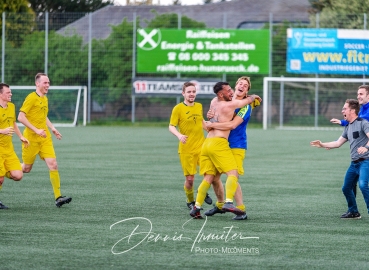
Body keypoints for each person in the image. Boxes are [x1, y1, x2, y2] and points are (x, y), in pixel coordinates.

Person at [190, 81, 261, 219]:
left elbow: (233, 125)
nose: (241, 86)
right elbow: (211, 122)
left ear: (247, 92)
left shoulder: (244, 106)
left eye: (245, 86)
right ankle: (223, 204)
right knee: (219, 177)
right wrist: (210, 118)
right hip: (220, 144)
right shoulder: (228, 102)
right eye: (240, 84)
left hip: (235, 144)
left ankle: (240, 209)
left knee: (228, 176)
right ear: (234, 87)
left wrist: (212, 123)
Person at [18, 73, 72, 208]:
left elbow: (43, 116)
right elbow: (20, 117)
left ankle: (58, 197)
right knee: (26, 168)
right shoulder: (31, 98)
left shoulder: (45, 98)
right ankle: (7, 167)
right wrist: (36, 130)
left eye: (48, 83)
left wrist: (52, 128)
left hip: (45, 138)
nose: (48, 85)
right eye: (45, 83)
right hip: (30, 140)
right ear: (37, 84)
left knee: (53, 164)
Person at [310, 99, 369, 219]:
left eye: (344, 109)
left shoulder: (363, 123)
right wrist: (322, 144)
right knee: (346, 188)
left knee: (363, 185)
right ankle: (353, 212)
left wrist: (366, 147)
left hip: (365, 162)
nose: (342, 111)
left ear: (352, 110)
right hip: (354, 164)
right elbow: (337, 143)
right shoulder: (348, 127)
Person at [169, 82, 212, 210]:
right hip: (186, 149)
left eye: (193, 91)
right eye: (189, 92)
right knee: (190, 180)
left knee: (209, 173)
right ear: (183, 93)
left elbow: (202, 122)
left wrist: (211, 129)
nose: (192, 94)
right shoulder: (178, 108)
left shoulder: (199, 106)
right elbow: (171, 126)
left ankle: (202, 193)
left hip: (201, 147)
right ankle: (190, 201)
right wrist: (179, 135)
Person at [330, 85, 369, 197]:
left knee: (362, 184)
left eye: (361, 94)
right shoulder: (362, 110)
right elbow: (355, 125)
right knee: (352, 183)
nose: (358, 97)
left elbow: (358, 122)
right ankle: (353, 210)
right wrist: (335, 142)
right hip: (363, 154)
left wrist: (343, 122)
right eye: (358, 94)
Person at [0, 83, 29, 209]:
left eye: (10, 92)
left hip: (9, 148)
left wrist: (21, 136)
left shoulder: (11, 106)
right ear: (1, 94)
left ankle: (2, 172)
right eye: (8, 92)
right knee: (0, 179)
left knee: (18, 175)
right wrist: (2, 131)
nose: (10, 94)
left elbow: (13, 123)